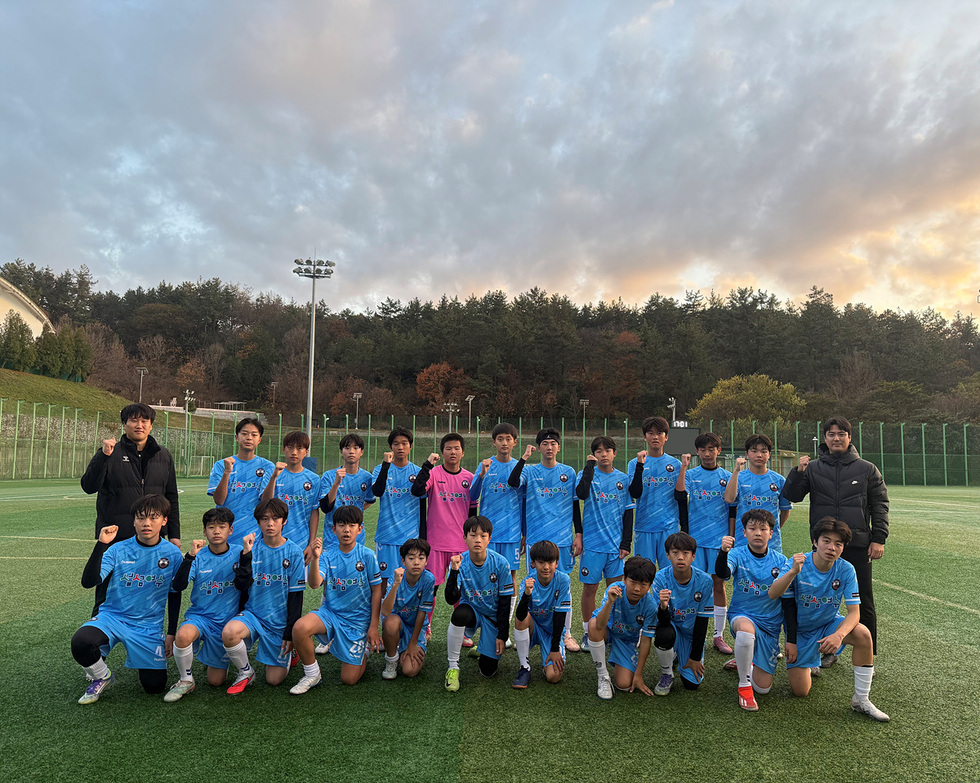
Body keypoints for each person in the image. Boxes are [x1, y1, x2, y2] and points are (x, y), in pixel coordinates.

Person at [781, 416, 889, 659]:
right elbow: (792, 495)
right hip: (823, 546)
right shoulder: (814, 468)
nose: (836, 438)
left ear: (850, 438)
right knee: (819, 600)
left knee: (863, 602)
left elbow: (880, 504)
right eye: (831, 434)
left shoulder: (867, 469)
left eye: (841, 434)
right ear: (825, 439)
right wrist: (798, 472)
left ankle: (867, 650)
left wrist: (878, 538)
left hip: (858, 544)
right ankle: (824, 650)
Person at [768, 517, 889, 721]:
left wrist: (839, 635)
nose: (831, 547)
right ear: (815, 542)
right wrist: (791, 573)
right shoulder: (798, 562)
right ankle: (810, 662)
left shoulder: (846, 569)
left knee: (862, 634)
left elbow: (854, 613)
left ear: (843, 548)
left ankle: (861, 699)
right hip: (801, 633)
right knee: (801, 692)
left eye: (838, 544)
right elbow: (773, 593)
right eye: (826, 541)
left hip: (828, 625)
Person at [70, 494, 182, 704]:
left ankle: (127, 657)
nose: (146, 523)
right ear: (133, 521)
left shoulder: (173, 554)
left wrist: (171, 633)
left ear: (164, 521)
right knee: (81, 642)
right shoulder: (117, 549)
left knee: (154, 686)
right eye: (140, 518)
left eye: (153, 518)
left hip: (147, 625)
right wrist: (101, 545)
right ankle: (102, 676)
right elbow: (88, 581)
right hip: (112, 617)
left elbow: (175, 594)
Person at [164, 508, 254, 702]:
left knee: (215, 681)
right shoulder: (198, 556)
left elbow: (244, 585)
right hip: (200, 617)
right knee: (183, 635)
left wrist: (246, 556)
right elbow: (178, 586)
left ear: (230, 530)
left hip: (227, 621)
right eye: (211, 527)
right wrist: (189, 556)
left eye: (222, 527)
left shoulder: (240, 553)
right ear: (204, 531)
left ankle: (240, 665)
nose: (216, 531)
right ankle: (185, 680)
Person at [290, 506, 383, 692]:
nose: (346, 530)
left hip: (357, 622)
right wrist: (315, 559)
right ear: (334, 529)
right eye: (341, 525)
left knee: (349, 679)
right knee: (300, 628)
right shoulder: (327, 556)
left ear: (360, 529)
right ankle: (312, 674)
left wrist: (373, 626)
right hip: (331, 614)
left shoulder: (367, 556)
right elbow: (315, 584)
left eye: (351, 525)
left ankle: (362, 651)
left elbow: (377, 591)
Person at [220, 498, 306, 694]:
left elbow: (296, 595)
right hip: (253, 614)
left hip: (279, 622)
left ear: (284, 521)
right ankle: (246, 672)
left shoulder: (294, 552)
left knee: (274, 680)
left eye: (275, 518)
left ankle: (291, 650)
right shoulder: (251, 548)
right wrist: (246, 555)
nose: (270, 523)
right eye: (265, 519)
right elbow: (241, 585)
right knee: (229, 633)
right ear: (258, 522)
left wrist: (289, 631)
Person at [508, 428, 583, 652]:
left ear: (559, 448)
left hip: (562, 539)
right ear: (539, 447)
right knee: (533, 585)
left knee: (563, 587)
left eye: (553, 443)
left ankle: (566, 634)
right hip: (535, 538)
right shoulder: (530, 472)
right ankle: (533, 630)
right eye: (545, 444)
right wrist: (523, 458)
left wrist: (578, 533)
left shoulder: (568, 472)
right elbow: (513, 482)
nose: (549, 447)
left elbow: (575, 506)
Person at [714, 509, 789, 712]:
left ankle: (744, 661)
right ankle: (744, 687)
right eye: (752, 528)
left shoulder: (781, 560)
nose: (758, 533)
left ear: (771, 533)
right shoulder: (737, 554)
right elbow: (723, 573)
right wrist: (723, 552)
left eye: (763, 529)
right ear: (744, 532)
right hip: (743, 615)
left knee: (763, 689)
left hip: (770, 623)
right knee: (746, 634)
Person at [81, 403, 180, 547]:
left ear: (151, 425)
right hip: (116, 535)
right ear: (124, 425)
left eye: (144, 421)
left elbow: (171, 497)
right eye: (134, 420)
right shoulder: (110, 453)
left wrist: (174, 535)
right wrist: (103, 457)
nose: (139, 425)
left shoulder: (163, 455)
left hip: (153, 537)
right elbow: (88, 487)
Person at [674, 433, 735, 654]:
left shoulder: (727, 476)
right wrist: (683, 466)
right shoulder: (690, 475)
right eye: (703, 449)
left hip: (719, 542)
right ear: (697, 452)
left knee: (719, 585)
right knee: (693, 587)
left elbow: (732, 510)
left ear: (719, 450)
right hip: (696, 542)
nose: (708, 454)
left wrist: (730, 539)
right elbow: (680, 494)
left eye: (712, 449)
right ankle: (689, 631)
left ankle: (718, 636)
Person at [443, 516, 515, 692]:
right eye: (473, 535)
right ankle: (453, 667)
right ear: (464, 538)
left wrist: (502, 635)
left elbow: (506, 602)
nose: (478, 540)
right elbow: (451, 599)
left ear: (489, 538)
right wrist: (454, 572)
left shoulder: (500, 563)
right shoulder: (460, 562)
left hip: (493, 616)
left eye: (483, 536)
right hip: (472, 611)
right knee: (459, 614)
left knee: (488, 671)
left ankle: (483, 646)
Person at [576, 436, 634, 651]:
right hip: (592, 545)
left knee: (615, 590)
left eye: (607, 450)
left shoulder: (623, 479)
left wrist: (625, 542)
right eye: (598, 451)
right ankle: (587, 632)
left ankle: (612, 630)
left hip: (615, 547)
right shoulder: (587, 475)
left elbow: (628, 513)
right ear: (594, 454)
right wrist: (589, 467)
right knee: (590, 590)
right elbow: (580, 494)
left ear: (614, 454)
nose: (603, 454)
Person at [468, 423, 523, 646]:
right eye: (500, 438)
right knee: (485, 580)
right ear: (493, 442)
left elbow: (526, 501)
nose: (504, 443)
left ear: (514, 442)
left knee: (510, 579)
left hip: (511, 534)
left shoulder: (521, 468)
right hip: (487, 535)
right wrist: (480, 475)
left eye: (508, 439)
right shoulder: (485, 465)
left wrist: (524, 533)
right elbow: (472, 496)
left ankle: (504, 629)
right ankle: (483, 628)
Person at [411, 433, 478, 593]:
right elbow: (417, 490)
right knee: (430, 589)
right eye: (448, 449)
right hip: (435, 543)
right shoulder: (433, 474)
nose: (452, 452)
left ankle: (458, 620)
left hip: (460, 545)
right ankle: (426, 619)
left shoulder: (469, 478)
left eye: (456, 448)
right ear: (442, 453)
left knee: (461, 591)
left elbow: (472, 514)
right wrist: (427, 465)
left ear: (463, 453)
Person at [586, 555, 658, 700]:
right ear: (624, 579)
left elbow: (645, 641)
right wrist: (609, 603)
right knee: (593, 626)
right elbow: (599, 625)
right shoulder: (615, 590)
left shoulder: (650, 606)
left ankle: (619, 658)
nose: (637, 589)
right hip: (608, 630)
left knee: (624, 684)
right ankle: (603, 676)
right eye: (633, 582)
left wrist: (638, 675)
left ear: (650, 585)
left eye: (643, 584)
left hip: (627, 639)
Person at [650, 532, 713, 696]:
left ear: (693, 556)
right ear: (667, 555)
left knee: (692, 684)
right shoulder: (660, 578)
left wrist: (695, 657)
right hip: (672, 629)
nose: (680, 558)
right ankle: (667, 673)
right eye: (675, 552)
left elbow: (702, 622)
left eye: (685, 553)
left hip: (692, 634)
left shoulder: (705, 581)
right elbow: (661, 622)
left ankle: (680, 655)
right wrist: (663, 607)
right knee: (664, 635)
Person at [511, 540, 572, 689]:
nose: (546, 567)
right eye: (541, 562)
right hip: (534, 627)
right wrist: (526, 594)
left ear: (557, 563)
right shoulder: (528, 581)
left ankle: (547, 658)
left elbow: (560, 616)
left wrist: (555, 648)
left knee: (554, 677)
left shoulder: (563, 580)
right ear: (533, 564)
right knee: (522, 619)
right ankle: (525, 668)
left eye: (550, 562)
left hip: (553, 632)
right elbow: (519, 616)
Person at [372, 427, 424, 594]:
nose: (400, 447)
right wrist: (386, 466)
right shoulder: (380, 469)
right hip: (386, 536)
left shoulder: (418, 472)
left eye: (404, 444)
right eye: (396, 444)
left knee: (410, 581)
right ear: (391, 447)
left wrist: (423, 537)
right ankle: (382, 618)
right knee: (383, 581)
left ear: (411, 446)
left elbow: (424, 507)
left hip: (410, 538)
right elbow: (377, 492)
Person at [208, 418, 275, 546]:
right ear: (236, 437)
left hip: (255, 534)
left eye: (254, 435)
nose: (249, 438)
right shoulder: (221, 465)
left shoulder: (268, 467)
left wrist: (273, 477)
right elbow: (219, 500)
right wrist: (227, 472)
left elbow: (266, 502)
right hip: (225, 532)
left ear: (259, 440)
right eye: (244, 433)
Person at [627, 416, 682, 570]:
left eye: (659, 433)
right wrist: (639, 466)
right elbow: (635, 493)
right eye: (650, 433)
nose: (655, 437)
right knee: (642, 574)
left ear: (666, 437)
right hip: (644, 527)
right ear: (645, 437)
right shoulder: (634, 463)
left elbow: (681, 497)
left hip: (669, 528)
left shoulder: (676, 465)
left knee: (670, 573)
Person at [723, 434, 792, 553]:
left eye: (764, 451)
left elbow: (785, 511)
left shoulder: (779, 480)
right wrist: (736, 471)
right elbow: (729, 499)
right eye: (754, 451)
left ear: (769, 454)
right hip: (743, 540)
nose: (759, 455)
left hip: (772, 543)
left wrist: (771, 529)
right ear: (747, 454)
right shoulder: (738, 477)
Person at [261, 430, 320, 565]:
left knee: (296, 585)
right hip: (272, 539)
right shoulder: (273, 472)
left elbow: (314, 511)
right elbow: (265, 502)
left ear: (306, 451)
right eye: (290, 448)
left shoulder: (314, 479)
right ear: (283, 449)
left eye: (299, 448)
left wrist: (311, 543)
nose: (294, 452)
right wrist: (274, 477)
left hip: (301, 541)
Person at [380, 538, 436, 680]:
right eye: (411, 558)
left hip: (415, 627)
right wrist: (395, 585)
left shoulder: (428, 579)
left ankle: (406, 644)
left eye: (421, 558)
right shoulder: (397, 577)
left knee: (409, 671)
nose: (416, 562)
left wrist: (412, 643)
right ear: (403, 561)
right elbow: (385, 612)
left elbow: (422, 613)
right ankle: (391, 660)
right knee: (391, 622)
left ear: (426, 561)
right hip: (397, 623)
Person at [318, 433, 375, 547]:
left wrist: (355, 509)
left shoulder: (367, 477)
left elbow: (370, 500)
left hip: (357, 538)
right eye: (347, 448)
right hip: (332, 538)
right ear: (341, 452)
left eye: (355, 448)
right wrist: (336, 483)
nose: (351, 451)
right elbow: (325, 507)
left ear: (362, 452)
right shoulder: (329, 476)